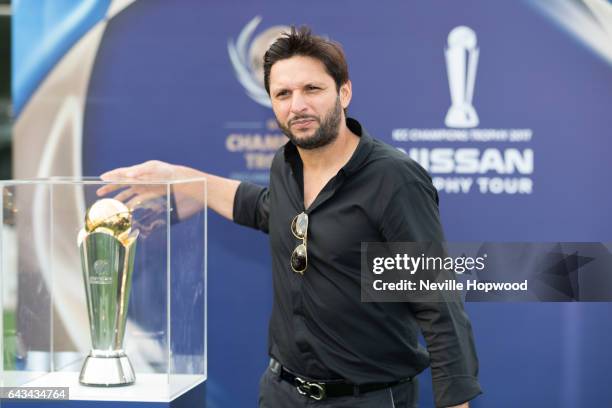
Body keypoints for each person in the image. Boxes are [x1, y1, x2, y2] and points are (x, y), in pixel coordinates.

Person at [98, 26, 481, 408]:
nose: (297, 105)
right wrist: (189, 184)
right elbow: (268, 209)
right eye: (283, 94)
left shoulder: (393, 179)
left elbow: (437, 302)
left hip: (367, 400)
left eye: (311, 89)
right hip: (282, 393)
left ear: (344, 92)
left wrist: (456, 403)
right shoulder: (285, 165)